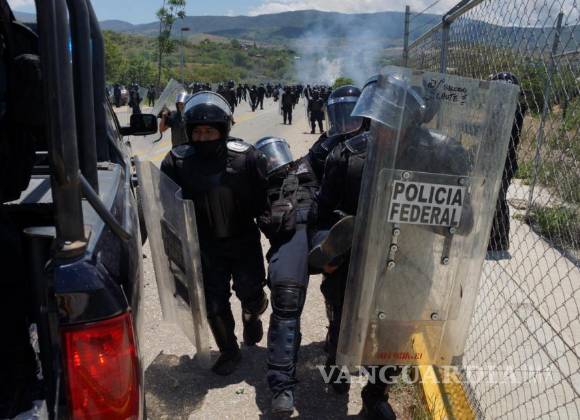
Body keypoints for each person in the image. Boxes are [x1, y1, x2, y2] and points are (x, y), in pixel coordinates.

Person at [311, 73, 473, 420]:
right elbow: (320, 215)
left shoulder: (442, 154)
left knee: (394, 333)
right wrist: (327, 250)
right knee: (344, 322)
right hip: (355, 259)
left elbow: (465, 220)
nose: (382, 130)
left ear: (411, 121)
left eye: (392, 120)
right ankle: (338, 362)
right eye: (378, 119)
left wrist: (412, 203)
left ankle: (376, 393)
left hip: (410, 257)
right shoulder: (349, 155)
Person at [160, 91, 269, 376]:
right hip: (204, 245)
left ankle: (251, 315)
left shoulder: (247, 158)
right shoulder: (176, 162)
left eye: (209, 131)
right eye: (198, 132)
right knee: (213, 304)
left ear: (222, 130)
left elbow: (264, 202)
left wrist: (279, 232)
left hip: (243, 240)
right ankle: (229, 350)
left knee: (251, 293)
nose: (203, 137)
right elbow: (167, 206)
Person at [255, 137, 319, 413]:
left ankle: (340, 354)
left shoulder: (312, 163)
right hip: (292, 237)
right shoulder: (259, 183)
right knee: (286, 296)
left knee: (349, 285)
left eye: (275, 154)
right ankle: (282, 385)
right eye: (266, 157)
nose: (274, 160)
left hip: (324, 229)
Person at [487, 72, 527, 256]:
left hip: (504, 163)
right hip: (498, 161)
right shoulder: (501, 110)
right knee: (492, 198)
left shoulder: (513, 111)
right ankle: (493, 237)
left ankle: (498, 240)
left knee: (497, 199)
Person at [307, 85, 363, 181]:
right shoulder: (327, 143)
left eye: (352, 117)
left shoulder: (375, 141)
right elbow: (308, 164)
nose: (346, 123)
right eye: (341, 117)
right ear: (334, 120)